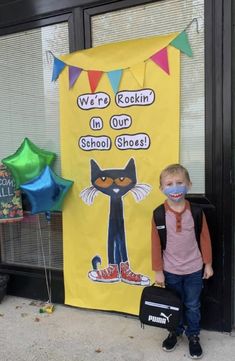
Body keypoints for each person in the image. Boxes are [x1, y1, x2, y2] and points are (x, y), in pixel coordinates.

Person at [151, 164, 213, 359]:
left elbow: (205, 239)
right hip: (170, 270)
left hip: (194, 269)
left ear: (189, 185)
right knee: (173, 305)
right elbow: (154, 244)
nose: (175, 188)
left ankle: (193, 335)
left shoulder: (196, 212)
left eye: (180, 183)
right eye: (169, 184)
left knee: (193, 305)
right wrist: (158, 270)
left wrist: (208, 264)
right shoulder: (158, 214)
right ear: (161, 188)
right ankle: (174, 332)